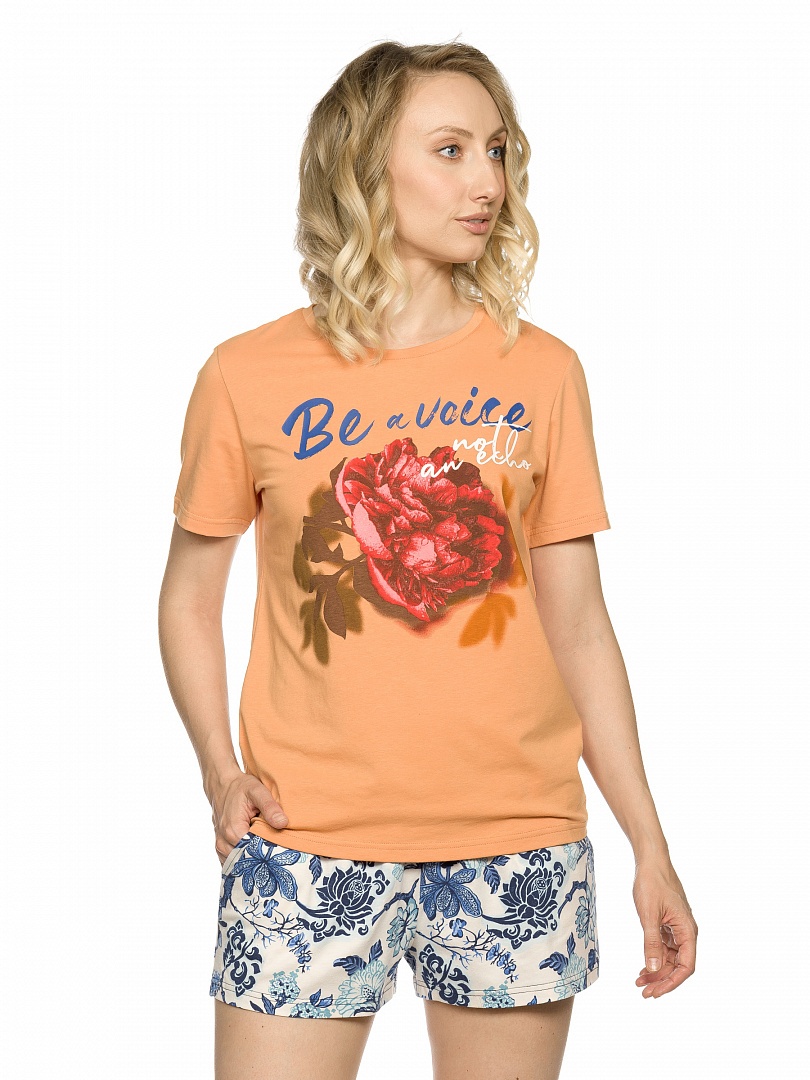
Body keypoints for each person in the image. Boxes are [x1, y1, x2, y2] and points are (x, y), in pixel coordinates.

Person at [158, 40, 697, 1080]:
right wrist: (222, 773)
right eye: (450, 150)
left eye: (497, 150)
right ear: (364, 165)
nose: (487, 181)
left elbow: (579, 624)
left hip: (517, 841)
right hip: (306, 840)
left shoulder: (543, 372)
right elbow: (188, 599)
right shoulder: (246, 374)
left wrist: (651, 845)